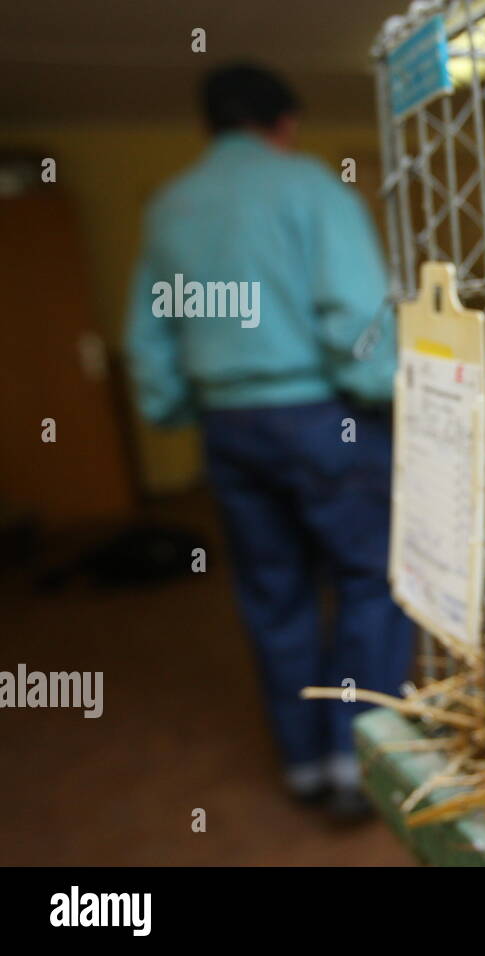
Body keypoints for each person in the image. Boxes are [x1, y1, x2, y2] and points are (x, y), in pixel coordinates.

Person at [125, 63, 412, 821]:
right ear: (285, 124)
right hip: (323, 419)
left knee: (272, 592)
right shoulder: (311, 188)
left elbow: (149, 339)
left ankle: (306, 764)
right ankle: (362, 759)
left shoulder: (168, 208)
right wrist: (393, 392)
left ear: (207, 127)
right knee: (370, 582)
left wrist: (176, 406)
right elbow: (358, 318)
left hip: (230, 429)